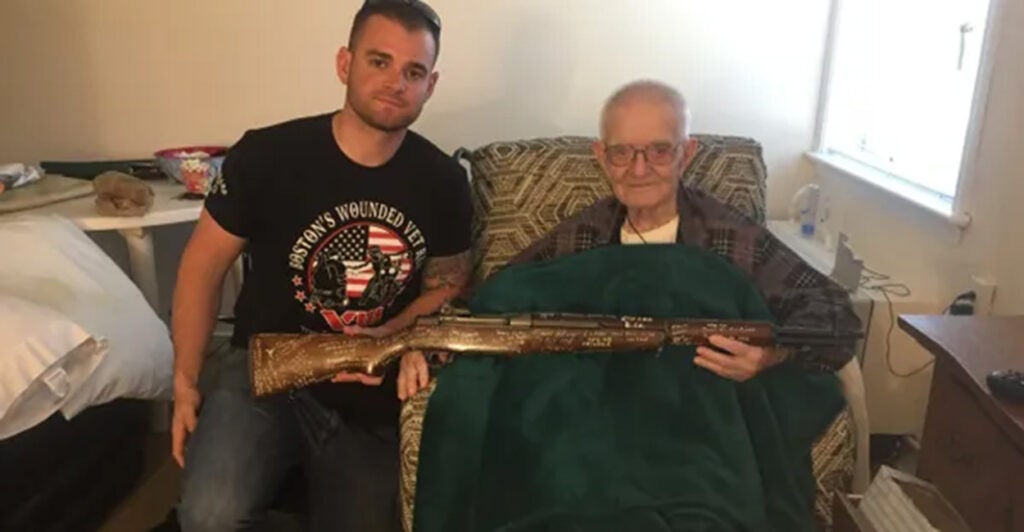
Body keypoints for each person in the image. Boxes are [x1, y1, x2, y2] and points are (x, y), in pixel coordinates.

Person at [170, 0, 472, 530]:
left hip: (368, 388)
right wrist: (185, 381)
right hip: (263, 371)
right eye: (379, 61)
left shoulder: (443, 179)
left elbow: (448, 284)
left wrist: (388, 334)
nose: (396, 82)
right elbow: (202, 267)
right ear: (344, 64)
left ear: (431, 84)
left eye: (414, 71)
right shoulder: (266, 155)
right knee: (207, 516)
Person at [507, 80, 861, 378]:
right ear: (601, 156)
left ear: (687, 153)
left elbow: (834, 313)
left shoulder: (730, 235)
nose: (639, 170)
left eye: (660, 151)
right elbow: (503, 293)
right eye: (621, 153)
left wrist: (771, 356)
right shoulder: (584, 232)